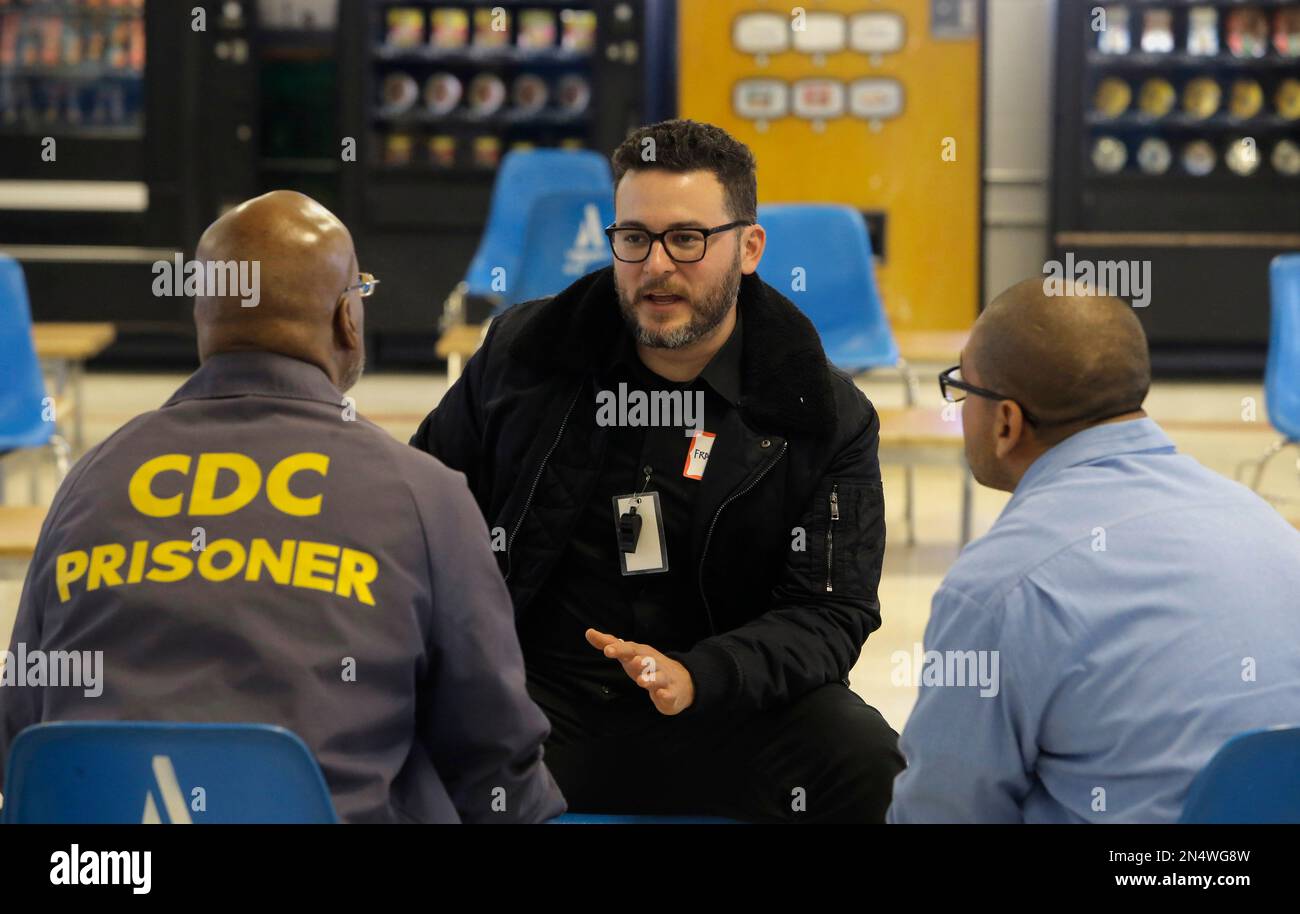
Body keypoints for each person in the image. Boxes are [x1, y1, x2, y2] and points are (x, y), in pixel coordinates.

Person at [0, 191, 564, 824]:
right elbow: (496, 763)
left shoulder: (93, 478)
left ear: (202, 319)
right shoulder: (422, 496)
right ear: (347, 320)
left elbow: (21, 725)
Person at [412, 120, 903, 823]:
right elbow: (426, 510)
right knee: (416, 742)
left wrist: (699, 675)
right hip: (543, 700)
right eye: (635, 238)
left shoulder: (819, 412)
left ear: (750, 247)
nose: (657, 266)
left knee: (864, 760)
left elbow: (831, 612)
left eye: (688, 239)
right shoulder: (529, 356)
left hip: (728, 702)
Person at [888, 278, 1300, 823]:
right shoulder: (1266, 527)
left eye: (963, 388)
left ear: (1006, 423)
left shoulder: (999, 589)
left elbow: (943, 813)